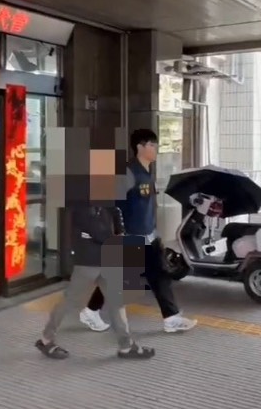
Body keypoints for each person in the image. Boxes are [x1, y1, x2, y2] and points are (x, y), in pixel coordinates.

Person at [35, 133, 155, 360]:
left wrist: (119, 231)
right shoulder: (81, 195)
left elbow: (114, 212)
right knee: (71, 300)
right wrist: (116, 239)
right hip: (89, 259)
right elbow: (93, 226)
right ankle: (46, 339)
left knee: (117, 300)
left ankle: (126, 345)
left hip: (105, 256)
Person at [79, 129, 197, 334]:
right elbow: (111, 203)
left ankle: (171, 318)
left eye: (156, 144)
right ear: (139, 147)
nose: (155, 149)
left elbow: (146, 207)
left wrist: (154, 232)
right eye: (151, 144)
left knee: (159, 275)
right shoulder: (129, 173)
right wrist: (119, 232)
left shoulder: (146, 173)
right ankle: (90, 311)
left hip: (149, 237)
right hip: (131, 237)